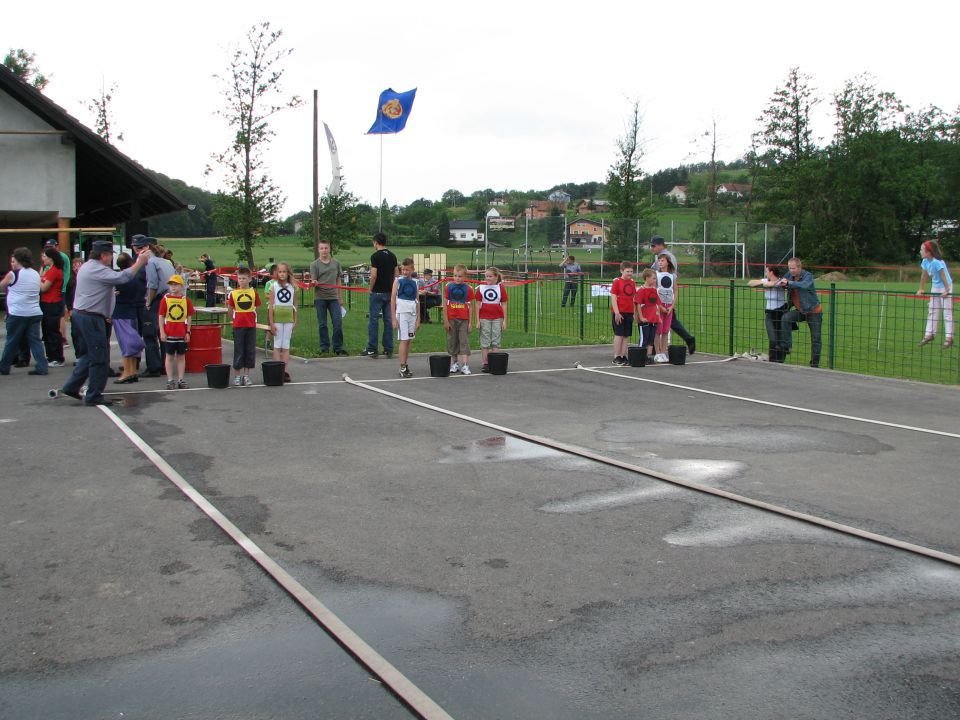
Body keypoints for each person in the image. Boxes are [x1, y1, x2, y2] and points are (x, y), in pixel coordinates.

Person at [59, 240, 149, 405]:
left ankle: (72, 386)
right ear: (103, 255)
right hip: (91, 317)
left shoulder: (87, 266)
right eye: (109, 255)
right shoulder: (96, 269)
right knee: (100, 357)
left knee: (89, 355)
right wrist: (139, 262)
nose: (111, 259)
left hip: (84, 314)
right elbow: (123, 277)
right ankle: (94, 395)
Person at [0, 247, 48, 376]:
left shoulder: (13, 274)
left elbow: (2, 285)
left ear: (18, 259)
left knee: (12, 341)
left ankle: (4, 367)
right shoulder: (35, 273)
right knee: (35, 341)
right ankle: (42, 367)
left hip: (17, 313)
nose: (12, 263)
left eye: (14, 260)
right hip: (34, 312)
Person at [133, 235, 176, 378]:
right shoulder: (166, 262)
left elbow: (152, 285)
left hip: (157, 299)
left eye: (138, 248)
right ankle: (165, 364)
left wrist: (148, 302)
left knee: (149, 334)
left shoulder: (150, 263)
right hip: (168, 298)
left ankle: (153, 367)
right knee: (163, 332)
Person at [650, 236, 695, 355]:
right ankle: (657, 348)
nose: (652, 248)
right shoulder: (660, 257)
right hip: (662, 295)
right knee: (668, 321)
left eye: (653, 246)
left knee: (664, 322)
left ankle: (656, 348)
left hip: (665, 295)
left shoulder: (667, 257)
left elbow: (668, 276)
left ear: (661, 245)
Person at [778, 257, 822, 368]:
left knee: (816, 338)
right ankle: (787, 346)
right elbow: (782, 281)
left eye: (793, 268)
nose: (791, 271)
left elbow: (804, 285)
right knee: (786, 318)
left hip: (814, 311)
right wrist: (781, 283)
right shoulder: (789, 275)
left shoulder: (808, 276)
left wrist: (789, 283)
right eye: (789, 268)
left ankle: (815, 364)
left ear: (799, 267)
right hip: (801, 310)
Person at [361, 232, 398, 358]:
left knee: (373, 320)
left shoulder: (375, 256)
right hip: (389, 292)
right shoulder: (393, 256)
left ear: (376, 242)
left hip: (377, 292)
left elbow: (374, 275)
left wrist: (370, 288)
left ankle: (372, 348)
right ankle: (388, 348)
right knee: (388, 320)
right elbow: (396, 275)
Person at [112, 252, 147, 383]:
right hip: (132, 311)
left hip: (120, 312)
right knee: (131, 341)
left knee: (125, 343)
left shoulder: (121, 279)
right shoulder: (136, 278)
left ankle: (127, 372)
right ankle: (132, 371)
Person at [309, 240, 346, 355]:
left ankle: (338, 347)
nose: (324, 250)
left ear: (329, 249)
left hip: (334, 297)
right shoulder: (314, 265)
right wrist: (314, 282)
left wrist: (340, 297)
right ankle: (324, 347)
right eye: (321, 248)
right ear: (318, 250)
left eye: (326, 248)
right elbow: (313, 279)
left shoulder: (336, 263)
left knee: (337, 322)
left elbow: (338, 280)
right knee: (322, 324)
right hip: (320, 297)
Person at [227, 266, 261, 386]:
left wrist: (252, 319)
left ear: (249, 279)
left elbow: (257, 307)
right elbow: (230, 309)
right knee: (239, 349)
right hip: (238, 326)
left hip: (250, 325)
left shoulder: (253, 293)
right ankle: (237, 376)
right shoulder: (234, 293)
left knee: (249, 350)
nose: (242, 280)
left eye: (244, 278)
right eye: (240, 278)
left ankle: (246, 375)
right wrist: (234, 320)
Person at [158, 274, 194, 390]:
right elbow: (161, 316)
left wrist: (188, 331)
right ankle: (170, 380)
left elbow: (188, 317)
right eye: (171, 285)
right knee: (169, 356)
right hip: (169, 333)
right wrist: (162, 332)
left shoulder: (185, 300)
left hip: (181, 333)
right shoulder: (165, 300)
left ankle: (181, 379)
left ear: (181, 286)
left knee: (181, 357)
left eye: (176, 285)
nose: (173, 287)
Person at [917, 239, 953, 349]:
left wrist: (947, 290)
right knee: (932, 310)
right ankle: (929, 334)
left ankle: (949, 337)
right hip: (935, 286)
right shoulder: (925, 262)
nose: (920, 251)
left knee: (947, 312)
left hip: (946, 285)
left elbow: (943, 276)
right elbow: (924, 276)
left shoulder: (937, 262)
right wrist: (921, 289)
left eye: (922, 250)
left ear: (929, 252)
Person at [747, 266, 788, 361]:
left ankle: (780, 361)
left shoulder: (781, 281)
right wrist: (763, 282)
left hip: (780, 312)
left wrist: (772, 283)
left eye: (767, 271)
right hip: (769, 313)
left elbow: (779, 284)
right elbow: (750, 283)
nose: (765, 272)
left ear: (771, 272)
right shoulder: (765, 280)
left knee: (781, 338)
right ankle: (772, 361)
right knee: (773, 338)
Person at [268, 262, 298, 382]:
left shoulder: (293, 287)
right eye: (280, 272)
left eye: (284, 272)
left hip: (289, 319)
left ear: (288, 273)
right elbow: (271, 306)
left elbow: (295, 305)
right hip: (277, 319)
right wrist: (271, 323)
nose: (282, 274)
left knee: (285, 345)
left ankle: (284, 370)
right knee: (277, 344)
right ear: (277, 273)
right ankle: (277, 369)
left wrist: (295, 320)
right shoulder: (273, 286)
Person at [475, 266, 508, 373]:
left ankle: (495, 361)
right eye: (486, 276)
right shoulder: (481, 288)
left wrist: (504, 320)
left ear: (496, 277)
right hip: (484, 318)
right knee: (485, 341)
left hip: (497, 318)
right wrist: (477, 320)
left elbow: (504, 304)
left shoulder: (501, 288)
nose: (487, 278)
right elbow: (477, 304)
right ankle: (485, 363)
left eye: (490, 276)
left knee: (496, 340)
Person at [391, 258, 420, 378]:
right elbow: (392, 299)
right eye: (403, 269)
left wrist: (418, 319)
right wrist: (393, 317)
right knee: (403, 339)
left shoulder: (415, 282)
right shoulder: (397, 281)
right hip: (402, 313)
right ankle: (402, 366)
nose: (405, 272)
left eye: (407, 269)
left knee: (408, 340)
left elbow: (417, 300)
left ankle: (405, 364)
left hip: (412, 314)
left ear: (412, 269)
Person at [444, 264, 474, 374]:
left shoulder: (468, 289)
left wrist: (470, 322)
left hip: (464, 319)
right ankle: (454, 363)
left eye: (460, 276)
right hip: (452, 318)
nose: (457, 278)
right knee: (453, 340)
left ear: (465, 276)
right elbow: (445, 304)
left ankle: (465, 365)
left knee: (464, 340)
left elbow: (471, 306)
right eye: (455, 276)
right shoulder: (448, 287)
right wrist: (446, 320)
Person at [39, 247, 66, 367]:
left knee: (52, 330)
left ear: (51, 258)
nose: (43, 259)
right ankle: (50, 355)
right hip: (46, 302)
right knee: (46, 330)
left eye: (45, 256)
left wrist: (37, 279)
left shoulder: (54, 270)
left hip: (52, 303)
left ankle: (58, 357)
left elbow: (44, 287)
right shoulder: (48, 269)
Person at [610, 261, 636, 366]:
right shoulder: (617, 282)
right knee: (619, 334)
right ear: (622, 271)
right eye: (627, 271)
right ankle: (617, 356)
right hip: (619, 312)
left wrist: (634, 312)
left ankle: (623, 355)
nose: (630, 273)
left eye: (631, 271)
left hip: (629, 312)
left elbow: (633, 298)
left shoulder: (632, 283)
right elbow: (613, 297)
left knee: (626, 335)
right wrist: (617, 312)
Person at [653, 254, 677, 363]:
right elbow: (653, 291)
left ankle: (663, 352)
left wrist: (672, 305)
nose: (660, 262)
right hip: (659, 306)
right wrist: (659, 306)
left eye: (662, 260)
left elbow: (675, 291)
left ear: (668, 262)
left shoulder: (673, 276)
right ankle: (657, 353)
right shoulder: (656, 275)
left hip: (669, 306)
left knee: (665, 331)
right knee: (658, 331)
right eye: (659, 260)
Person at [635, 269, 663, 360]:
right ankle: (640, 356)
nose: (655, 281)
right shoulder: (641, 290)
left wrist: (659, 316)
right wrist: (641, 317)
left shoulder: (654, 290)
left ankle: (648, 356)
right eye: (653, 278)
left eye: (655, 279)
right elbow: (638, 304)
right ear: (647, 278)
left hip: (653, 318)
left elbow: (657, 304)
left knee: (651, 339)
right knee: (644, 339)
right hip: (645, 319)